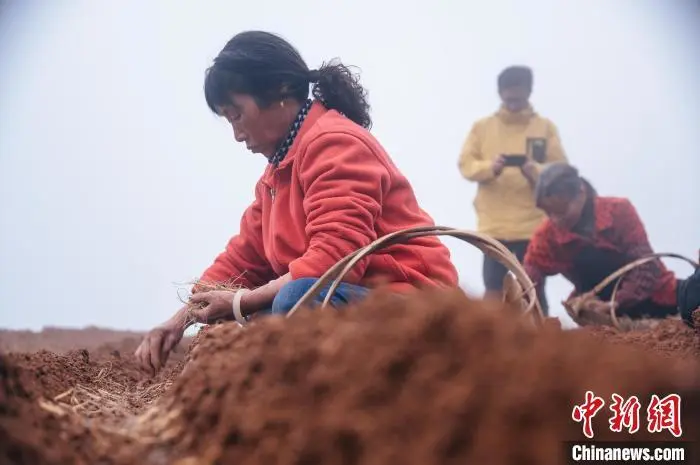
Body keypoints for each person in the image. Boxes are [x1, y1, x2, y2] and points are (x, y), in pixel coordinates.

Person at [135, 31, 459, 375]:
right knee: (262, 315)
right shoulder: (277, 174)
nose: (237, 134)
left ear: (279, 93)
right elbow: (242, 259)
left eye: (237, 115)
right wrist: (178, 321)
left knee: (295, 299)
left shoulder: (334, 143)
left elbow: (335, 264)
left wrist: (241, 303)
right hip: (362, 309)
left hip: (416, 308)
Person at [524, 162, 700, 326]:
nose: (555, 219)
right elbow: (530, 275)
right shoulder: (547, 235)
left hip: (660, 300)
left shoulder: (618, 211)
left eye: (561, 210)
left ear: (581, 192)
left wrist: (616, 303)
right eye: (548, 212)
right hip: (606, 318)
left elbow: (646, 268)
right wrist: (526, 310)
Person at [458, 65, 568, 314]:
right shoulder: (482, 128)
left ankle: (541, 343)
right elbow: (466, 164)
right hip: (493, 227)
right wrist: (491, 168)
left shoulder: (545, 128)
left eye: (519, 99)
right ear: (500, 94)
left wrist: (535, 172)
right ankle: (489, 344)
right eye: (509, 99)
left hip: (532, 227)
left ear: (529, 92)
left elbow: (561, 172)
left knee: (533, 290)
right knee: (494, 292)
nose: (514, 103)